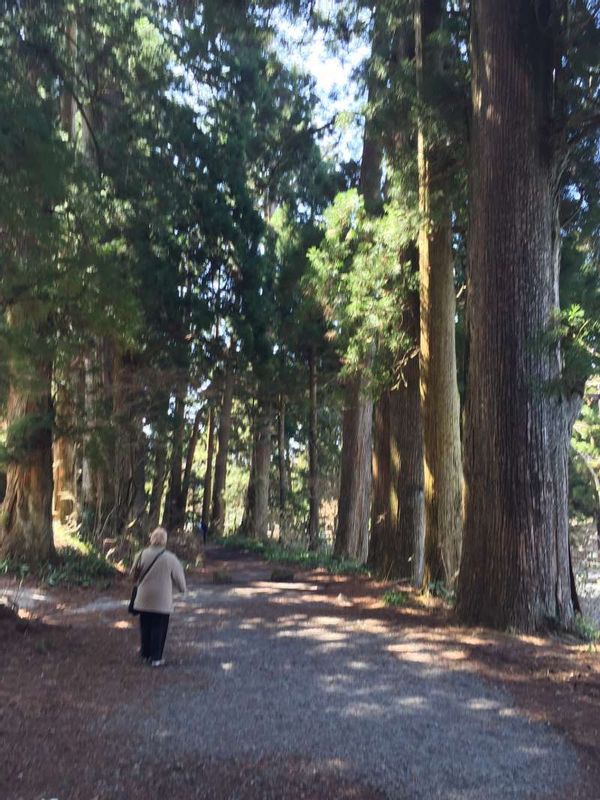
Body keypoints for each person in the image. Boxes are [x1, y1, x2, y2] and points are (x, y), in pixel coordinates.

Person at [130, 527, 186, 667]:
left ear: (152, 538)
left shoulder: (140, 554)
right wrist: (182, 589)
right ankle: (156, 657)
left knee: (145, 626)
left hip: (143, 597)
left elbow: (133, 575)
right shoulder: (170, 558)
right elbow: (179, 578)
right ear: (165, 540)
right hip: (162, 599)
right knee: (159, 627)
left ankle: (145, 653)